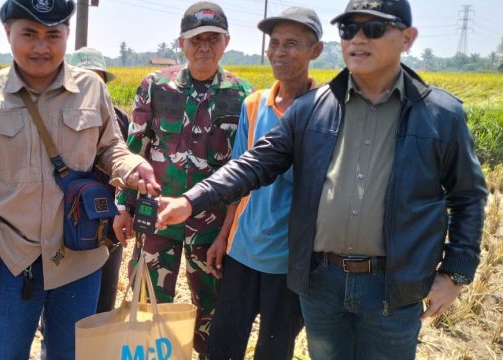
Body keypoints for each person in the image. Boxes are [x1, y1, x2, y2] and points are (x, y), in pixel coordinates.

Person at [156, 0, 488, 359]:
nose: (358, 39)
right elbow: (255, 163)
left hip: (392, 288)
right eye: (349, 29)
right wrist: (192, 200)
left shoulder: (440, 115)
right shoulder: (313, 108)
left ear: (407, 38)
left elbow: (468, 197)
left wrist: (455, 273)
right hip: (323, 283)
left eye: (374, 29)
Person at [0, 1, 159, 359]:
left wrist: (132, 167)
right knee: (4, 353)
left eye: (52, 35)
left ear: (67, 35)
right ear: (7, 33)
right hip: (10, 260)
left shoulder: (92, 89)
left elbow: (111, 149)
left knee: (70, 355)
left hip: (79, 258)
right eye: (29, 34)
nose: (41, 47)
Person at [112, 1, 253, 356]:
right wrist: (124, 208)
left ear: (226, 42)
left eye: (212, 39)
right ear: (181, 43)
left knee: (212, 313)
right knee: (146, 308)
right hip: (155, 219)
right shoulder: (156, 86)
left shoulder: (242, 95)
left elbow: (243, 169)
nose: (204, 47)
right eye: (196, 40)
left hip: (210, 223)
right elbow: (135, 148)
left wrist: (227, 231)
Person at [206, 7, 323, 360]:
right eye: (274, 43)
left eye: (292, 44)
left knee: (274, 349)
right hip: (243, 250)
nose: (279, 52)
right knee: (223, 345)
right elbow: (238, 176)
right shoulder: (254, 105)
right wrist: (224, 235)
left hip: (288, 259)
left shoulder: (326, 111)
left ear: (315, 51)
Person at [67, 46, 130, 313]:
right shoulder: (56, 119)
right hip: (67, 229)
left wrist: (125, 208)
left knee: (104, 307)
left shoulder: (120, 120)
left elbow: (125, 168)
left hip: (106, 228)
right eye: (84, 79)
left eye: (97, 80)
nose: (91, 87)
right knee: (65, 310)